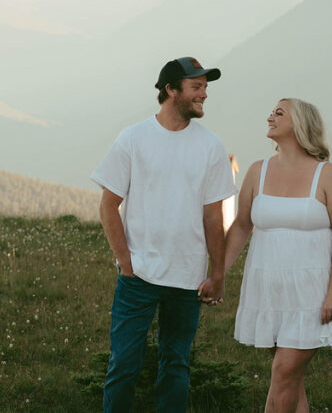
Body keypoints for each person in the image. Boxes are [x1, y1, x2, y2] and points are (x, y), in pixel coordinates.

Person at [93, 56, 238, 412]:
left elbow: (212, 216)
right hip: (137, 275)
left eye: (205, 87)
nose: (204, 94)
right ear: (171, 90)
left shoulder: (211, 147)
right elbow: (108, 205)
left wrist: (217, 273)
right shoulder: (133, 138)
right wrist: (125, 262)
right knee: (124, 365)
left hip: (187, 278)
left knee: (176, 367)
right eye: (196, 87)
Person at [224, 98, 332, 412]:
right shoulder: (257, 171)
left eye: (279, 113)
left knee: (283, 371)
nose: (270, 117)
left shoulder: (327, 175)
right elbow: (241, 226)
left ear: (300, 125)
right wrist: (217, 273)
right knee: (291, 381)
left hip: (313, 293)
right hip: (270, 290)